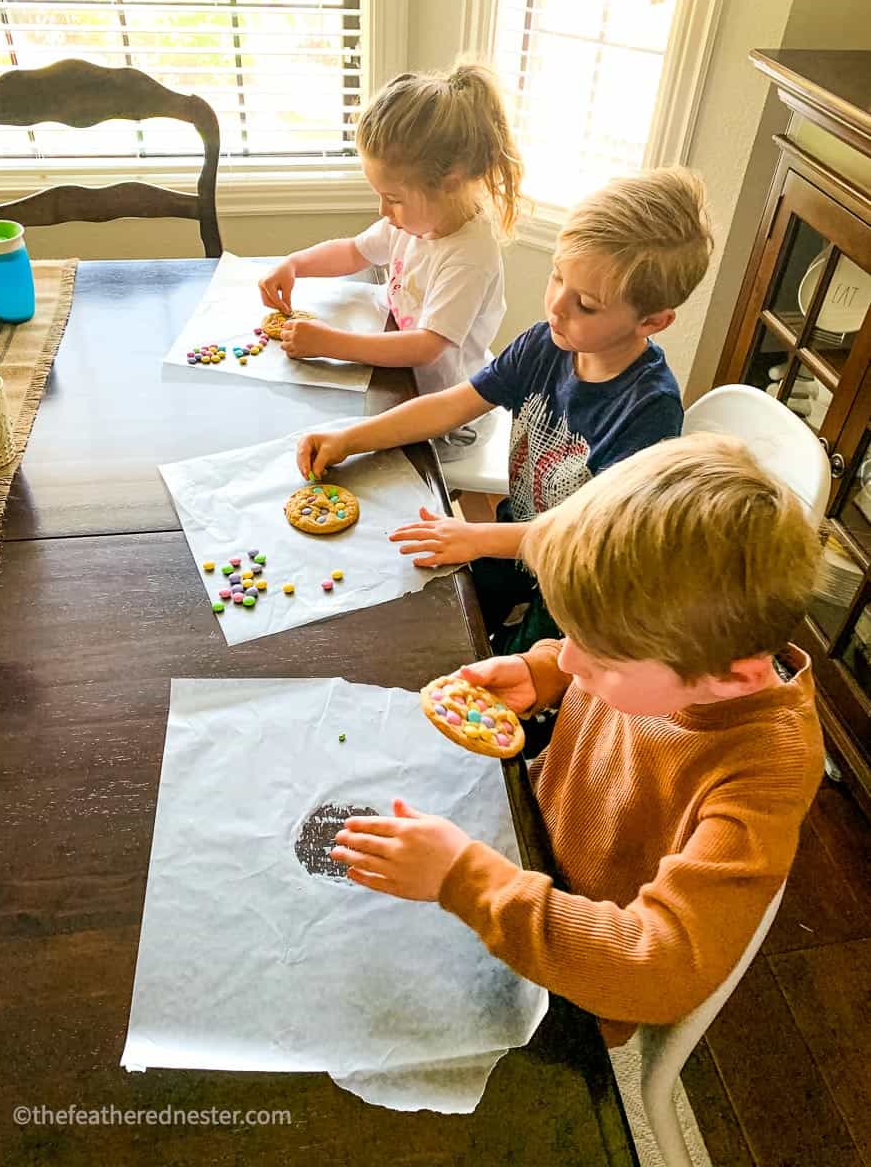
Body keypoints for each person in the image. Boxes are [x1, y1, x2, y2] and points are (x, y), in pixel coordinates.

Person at [329, 434, 825, 1046]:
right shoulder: (679, 657)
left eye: (600, 658)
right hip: (528, 841)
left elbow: (659, 972)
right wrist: (543, 673)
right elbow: (605, 670)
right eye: (569, 635)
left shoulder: (763, 774)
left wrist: (463, 878)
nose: (572, 660)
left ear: (732, 675)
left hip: (578, 963)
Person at [297, 166, 713, 661]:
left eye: (586, 304)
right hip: (515, 540)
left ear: (652, 321)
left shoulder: (648, 412)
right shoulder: (545, 343)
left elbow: (592, 539)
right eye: (558, 275)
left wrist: (475, 538)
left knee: (512, 689)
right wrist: (354, 437)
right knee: (421, 620)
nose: (557, 307)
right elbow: (452, 406)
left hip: (576, 586)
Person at [259, 62, 521, 458]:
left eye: (393, 198)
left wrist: (331, 343)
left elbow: (425, 347)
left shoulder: (468, 257)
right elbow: (353, 251)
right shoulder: (412, 223)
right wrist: (295, 263)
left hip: (444, 417)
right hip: (397, 380)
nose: (383, 211)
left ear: (450, 182)